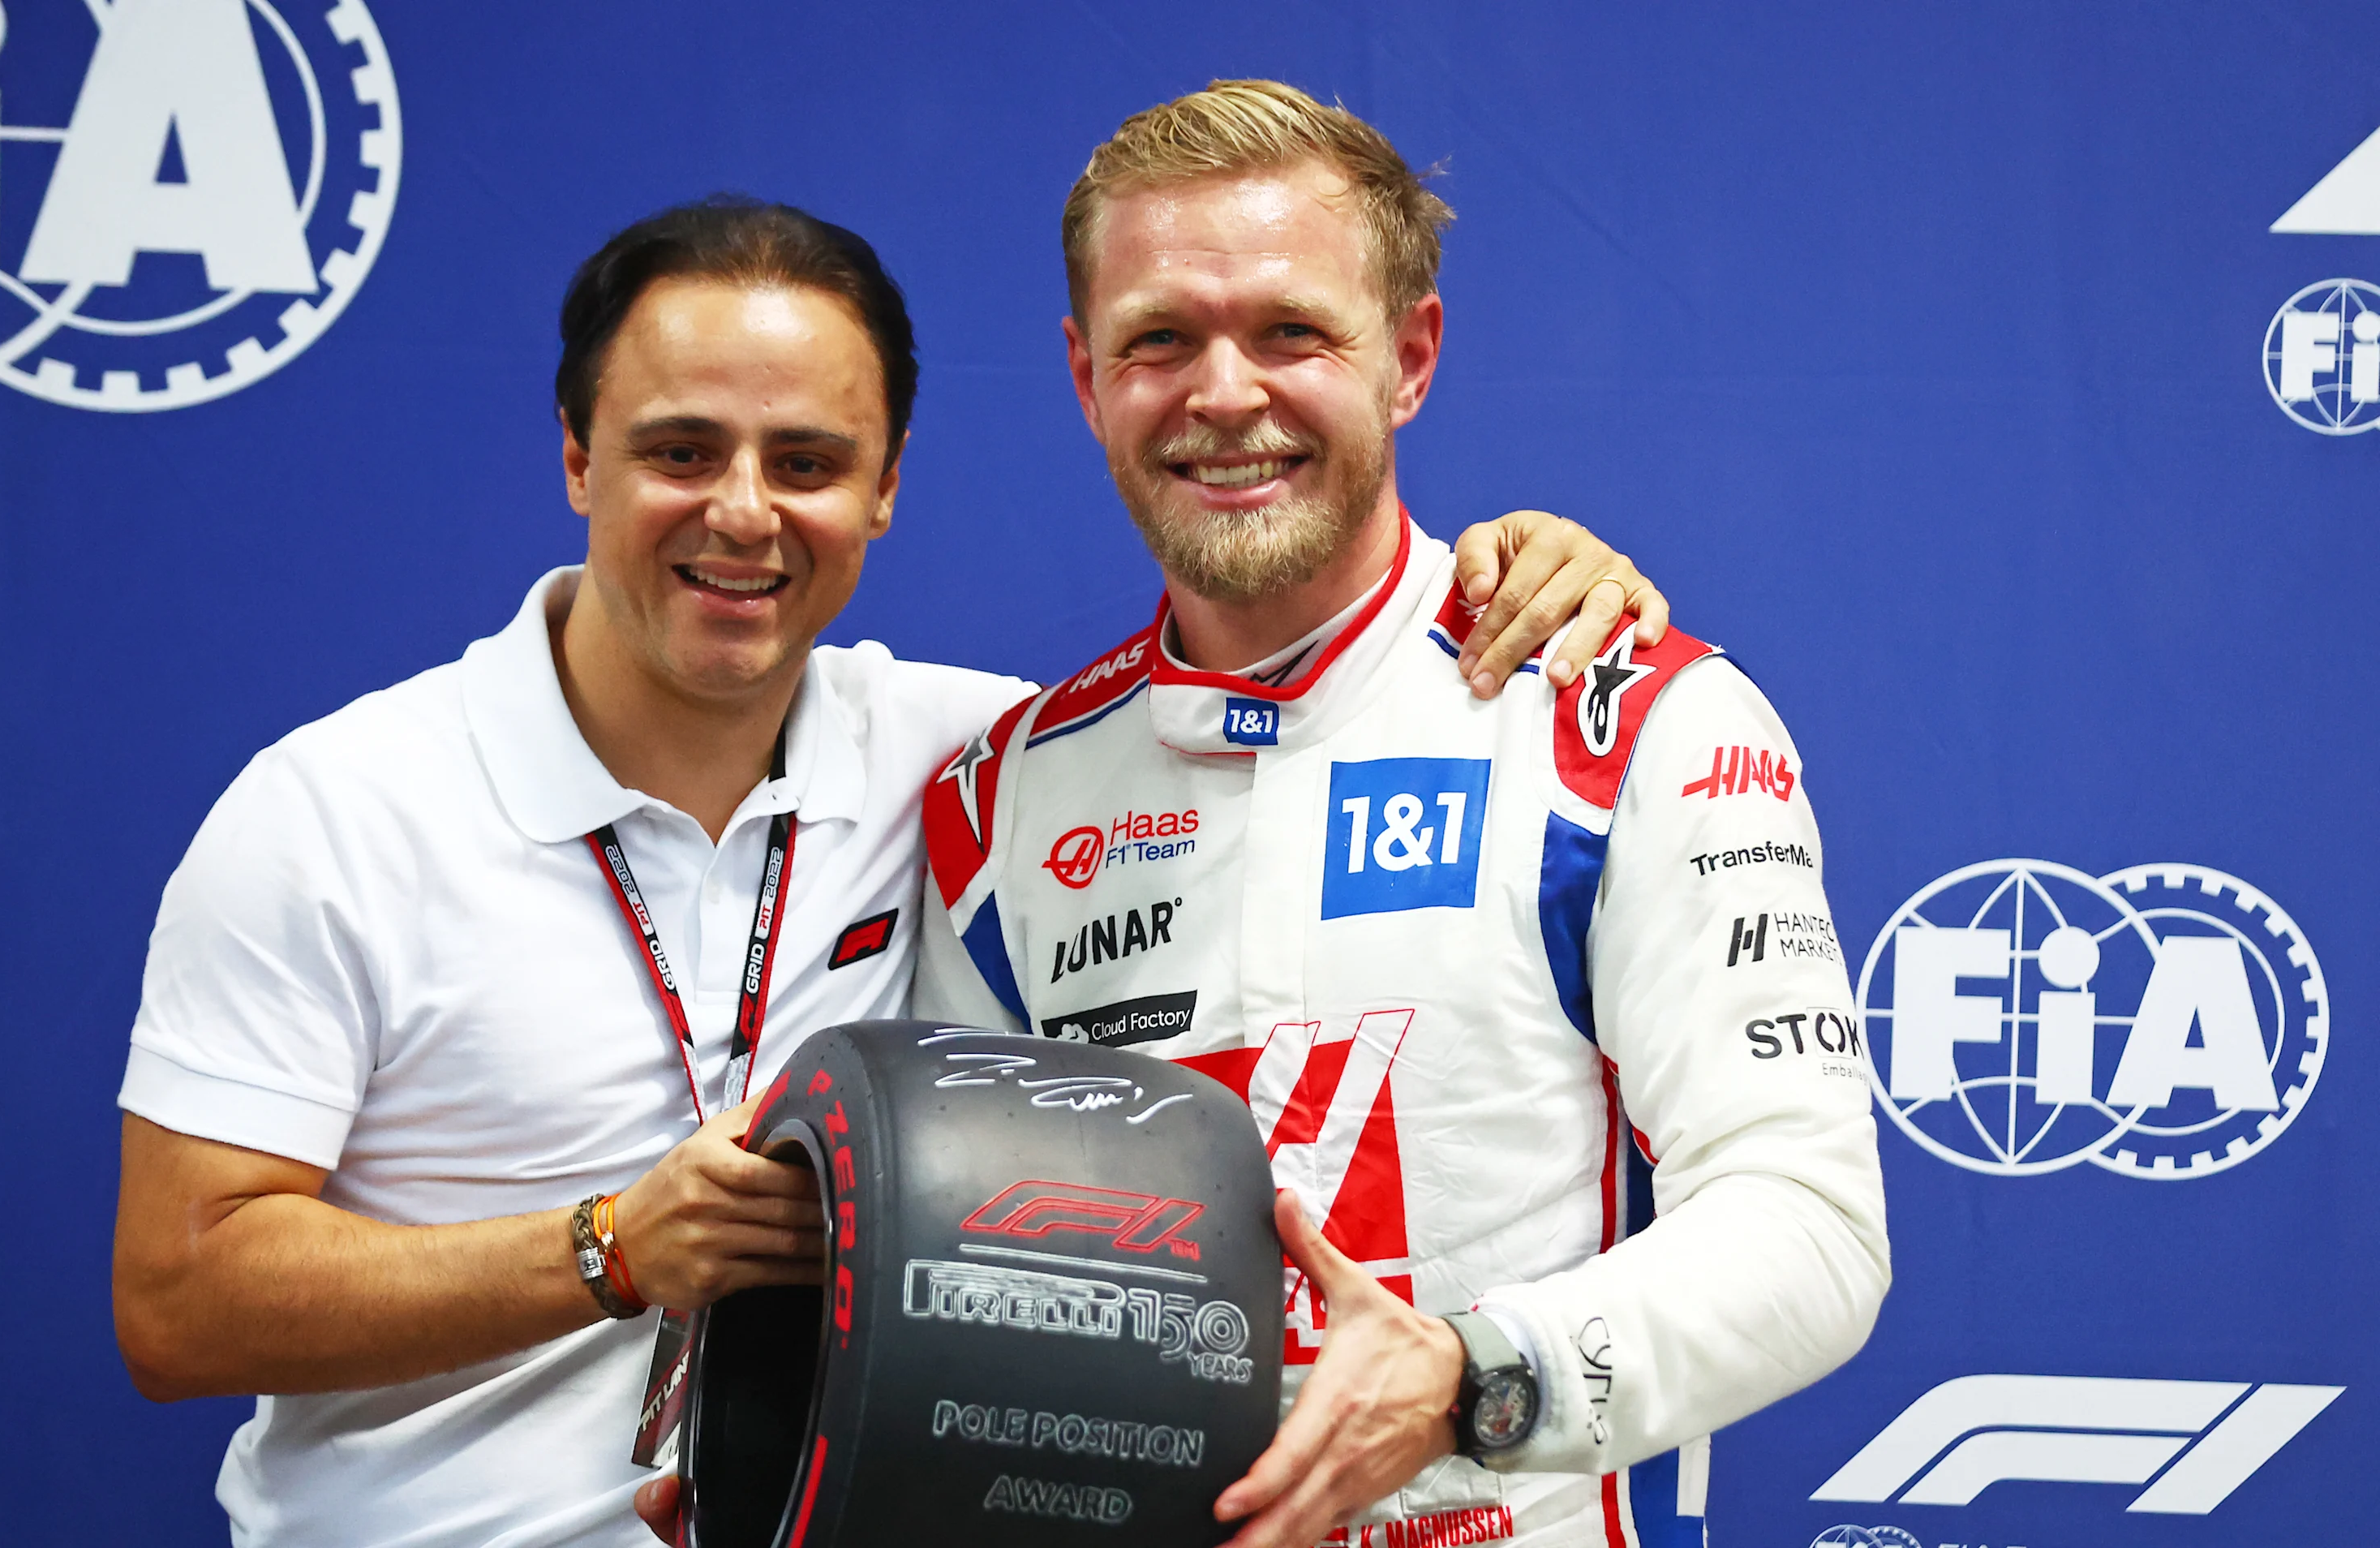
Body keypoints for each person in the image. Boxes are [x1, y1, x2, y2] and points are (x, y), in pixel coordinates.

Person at [110, 196, 1666, 1548]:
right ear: (577, 455)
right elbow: (178, 1308)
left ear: (886, 488)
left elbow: (1284, 708)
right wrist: (605, 1253)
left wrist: (1517, 568)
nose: (742, 512)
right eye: (678, 450)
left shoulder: (982, 767)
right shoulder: (336, 811)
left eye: (806, 459)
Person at [910, 82, 1890, 1548]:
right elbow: (962, 1290)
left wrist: (1467, 1380)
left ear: (1410, 356)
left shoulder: (1625, 717)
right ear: (1085, 376)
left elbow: (1813, 1233)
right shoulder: (1001, 803)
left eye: (1291, 332)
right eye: (1160, 339)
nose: (1223, 394)